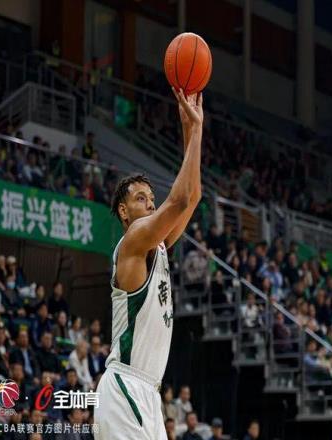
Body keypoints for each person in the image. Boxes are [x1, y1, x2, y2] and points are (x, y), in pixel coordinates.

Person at [94, 89, 204, 440]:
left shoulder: (157, 244)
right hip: (124, 389)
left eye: (152, 199)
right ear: (124, 211)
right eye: (141, 199)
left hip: (149, 394)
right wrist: (195, 132)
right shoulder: (133, 241)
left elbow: (193, 197)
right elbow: (180, 199)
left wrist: (192, 130)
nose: (151, 204)